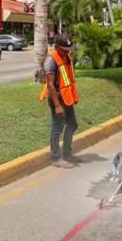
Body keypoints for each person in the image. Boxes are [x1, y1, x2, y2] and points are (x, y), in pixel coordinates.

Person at [41, 33, 79, 168]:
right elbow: (50, 84)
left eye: (69, 49)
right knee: (57, 128)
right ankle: (56, 158)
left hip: (66, 97)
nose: (68, 51)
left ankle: (67, 153)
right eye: (64, 49)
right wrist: (57, 105)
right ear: (57, 47)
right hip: (57, 98)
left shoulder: (66, 56)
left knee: (72, 124)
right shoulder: (51, 60)